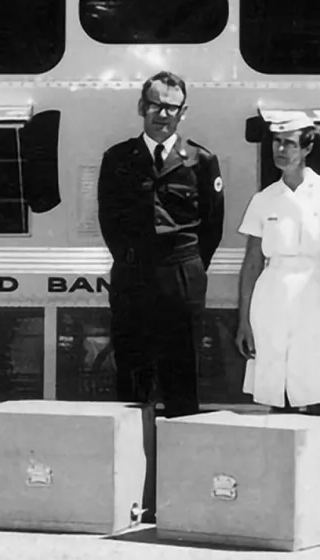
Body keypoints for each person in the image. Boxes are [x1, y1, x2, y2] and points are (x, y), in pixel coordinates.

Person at [98, 71, 224, 418]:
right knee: (132, 379)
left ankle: (179, 467)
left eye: (171, 107)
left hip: (181, 278)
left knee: (181, 378)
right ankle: (130, 469)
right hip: (133, 277)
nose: (163, 114)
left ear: (183, 112)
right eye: (155, 105)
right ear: (142, 107)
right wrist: (131, 260)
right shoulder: (118, 158)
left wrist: (187, 266)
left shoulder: (201, 161)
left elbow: (212, 226)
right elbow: (108, 220)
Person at [235, 110, 320, 416]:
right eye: (276, 142)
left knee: (319, 389)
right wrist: (244, 320)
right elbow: (251, 263)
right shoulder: (264, 199)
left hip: (315, 300)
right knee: (277, 390)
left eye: (289, 143)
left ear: (307, 148)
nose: (281, 150)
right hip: (271, 299)